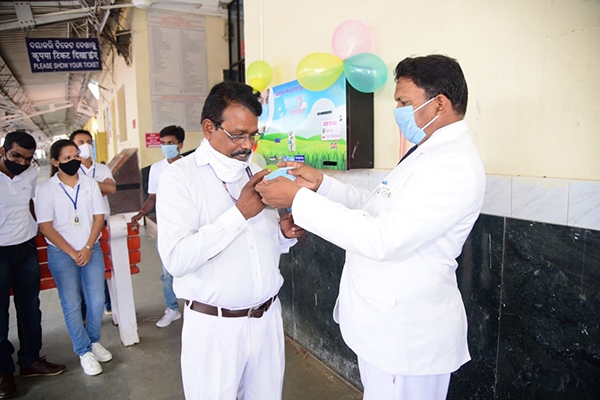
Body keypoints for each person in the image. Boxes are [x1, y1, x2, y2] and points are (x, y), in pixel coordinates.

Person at [256, 55, 486, 400]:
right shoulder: (427, 152)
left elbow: (383, 238)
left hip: (406, 337)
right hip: (384, 329)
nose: (397, 111)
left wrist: (298, 200)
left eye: (403, 102)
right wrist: (321, 185)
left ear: (439, 103)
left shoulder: (452, 164)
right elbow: (377, 207)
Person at [156, 81, 304, 399]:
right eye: (238, 135)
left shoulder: (255, 169)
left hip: (266, 320)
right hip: (215, 328)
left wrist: (283, 233)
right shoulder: (180, 177)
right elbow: (177, 259)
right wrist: (238, 214)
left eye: (253, 135)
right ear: (209, 128)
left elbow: (259, 245)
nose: (247, 145)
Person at [36, 139, 113, 376]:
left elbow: (99, 217)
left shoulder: (90, 184)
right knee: (71, 303)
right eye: (66, 158)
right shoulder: (47, 189)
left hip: (91, 249)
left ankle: (93, 341)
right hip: (62, 254)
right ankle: (83, 351)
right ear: (55, 161)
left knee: (97, 300)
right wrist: (72, 252)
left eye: (76, 156)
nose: (73, 161)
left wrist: (88, 247)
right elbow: (45, 227)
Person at [0, 131, 66, 398]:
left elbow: (28, 202)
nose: (23, 163)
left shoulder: (29, 172)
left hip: (26, 247)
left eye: (28, 159)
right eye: (16, 156)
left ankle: (30, 361)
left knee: (30, 308)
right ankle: (3, 372)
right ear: (3, 151)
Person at [131, 125, 185, 328]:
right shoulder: (156, 168)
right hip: (166, 231)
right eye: (163, 143)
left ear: (180, 145)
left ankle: (196, 307)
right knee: (167, 273)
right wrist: (142, 213)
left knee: (193, 269)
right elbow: (152, 197)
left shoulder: (190, 167)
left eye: (170, 143)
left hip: (188, 228)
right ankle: (172, 309)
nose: (166, 146)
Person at [70, 129, 116, 314]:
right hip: (80, 226)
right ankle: (83, 311)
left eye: (89, 142)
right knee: (81, 268)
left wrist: (86, 185)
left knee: (102, 266)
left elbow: (112, 189)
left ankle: (108, 304)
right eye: (81, 142)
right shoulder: (71, 169)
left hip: (102, 224)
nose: (86, 146)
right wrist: (99, 187)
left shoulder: (102, 168)